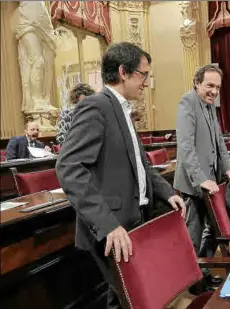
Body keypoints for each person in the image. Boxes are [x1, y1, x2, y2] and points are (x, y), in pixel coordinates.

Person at [56, 42, 186, 309]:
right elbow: (69, 168)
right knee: (134, 298)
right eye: (143, 75)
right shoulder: (95, 106)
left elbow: (142, 166)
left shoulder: (123, 110)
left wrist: (167, 192)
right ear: (123, 72)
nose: (147, 83)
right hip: (111, 227)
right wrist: (107, 225)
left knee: (125, 297)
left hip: (132, 220)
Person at [174, 64, 230, 287]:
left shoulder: (210, 105)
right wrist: (200, 178)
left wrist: (228, 167)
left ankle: (203, 272)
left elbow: (219, 141)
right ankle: (194, 283)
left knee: (214, 229)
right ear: (197, 83)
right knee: (193, 236)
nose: (214, 91)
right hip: (194, 184)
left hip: (212, 181)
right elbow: (185, 147)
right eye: (209, 86)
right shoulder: (187, 103)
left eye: (217, 87)